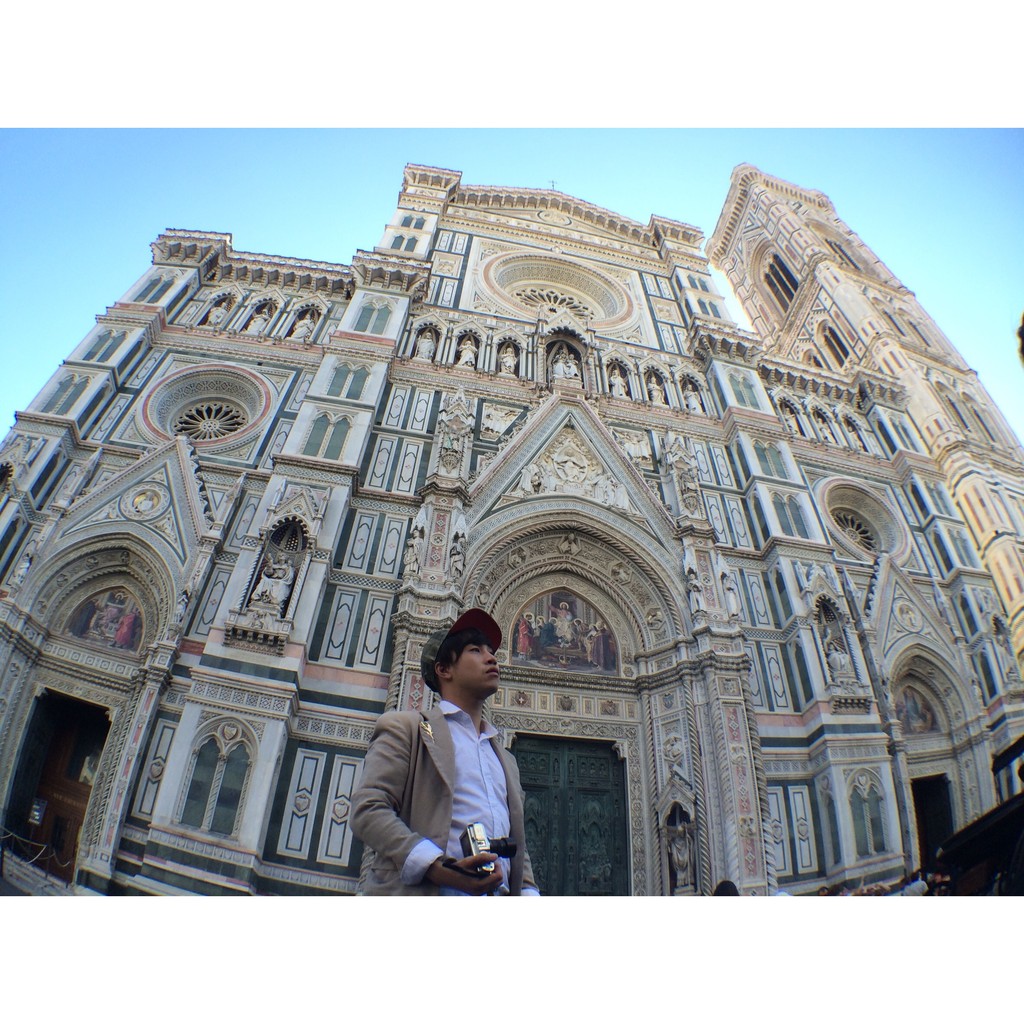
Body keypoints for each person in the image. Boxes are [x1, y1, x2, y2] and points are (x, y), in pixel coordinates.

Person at [351, 609, 539, 896]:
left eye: (491, 651)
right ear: (443, 669)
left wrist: (527, 890)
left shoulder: (505, 759)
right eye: (476, 650)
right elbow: (368, 809)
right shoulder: (408, 730)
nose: (491, 658)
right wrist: (436, 867)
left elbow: (516, 842)